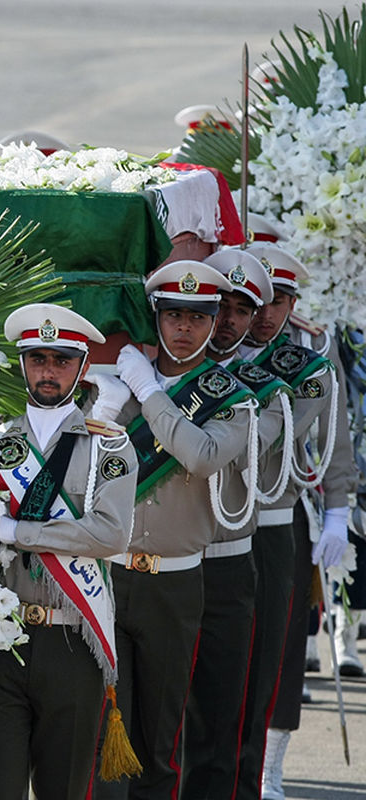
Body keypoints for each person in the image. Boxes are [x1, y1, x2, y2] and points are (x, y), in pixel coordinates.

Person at [93, 260, 255, 800]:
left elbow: (202, 455)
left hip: (175, 584)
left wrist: (150, 391)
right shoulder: (116, 387)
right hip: (111, 577)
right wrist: (111, 408)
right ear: (157, 318)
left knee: (160, 741)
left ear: (214, 322)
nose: (184, 327)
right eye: (173, 315)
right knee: (103, 732)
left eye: (198, 316)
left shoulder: (229, 394)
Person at [0, 304, 137, 799]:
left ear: (82, 369)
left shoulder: (108, 447)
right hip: (3, 640)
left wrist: (19, 531)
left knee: (61, 790)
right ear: (22, 364)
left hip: (72, 643)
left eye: (61, 360)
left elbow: (109, 535)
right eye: (37, 358)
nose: (48, 371)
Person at [235, 240, 355, 800]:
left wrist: (337, 510)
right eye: (257, 297)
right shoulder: (220, 338)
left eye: (280, 299)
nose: (266, 313)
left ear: (292, 301)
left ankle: (271, 768)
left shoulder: (308, 348)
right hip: (217, 520)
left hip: (282, 514)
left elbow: (332, 438)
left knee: (281, 651)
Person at [181, 249, 283, 798]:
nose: (227, 321)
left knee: (219, 727)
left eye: (242, 311)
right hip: (164, 570)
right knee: (154, 730)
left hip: (225, 567)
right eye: (218, 306)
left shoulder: (267, 385)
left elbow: (233, 453)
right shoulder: (159, 369)